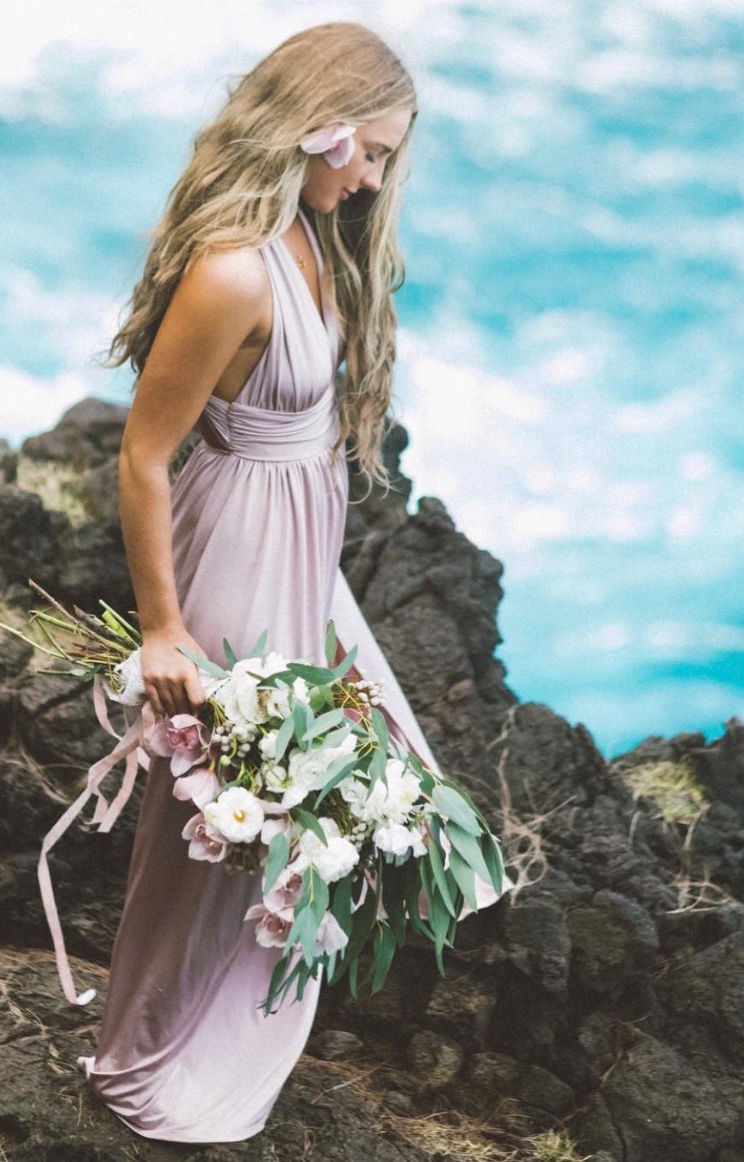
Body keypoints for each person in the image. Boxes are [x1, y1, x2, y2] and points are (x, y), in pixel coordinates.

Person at [78, 21, 436, 1143]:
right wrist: (166, 630)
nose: (374, 176)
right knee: (214, 816)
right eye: (368, 151)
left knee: (281, 806)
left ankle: (208, 1035)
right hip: (232, 550)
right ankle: (143, 1057)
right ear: (317, 131)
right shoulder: (236, 267)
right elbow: (143, 453)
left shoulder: (312, 239)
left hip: (300, 552)